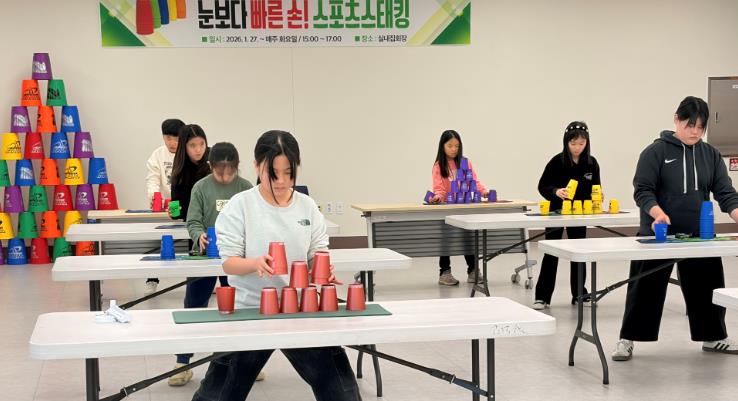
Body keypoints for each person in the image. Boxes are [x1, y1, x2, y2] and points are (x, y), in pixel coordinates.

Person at [191, 130, 361, 401]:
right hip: (250, 311)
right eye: (273, 173)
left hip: (301, 310)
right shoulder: (240, 206)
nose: (281, 181)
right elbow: (229, 263)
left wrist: (321, 268)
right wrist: (254, 263)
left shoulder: (307, 207)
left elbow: (317, 253)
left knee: (342, 392)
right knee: (218, 395)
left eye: (288, 173)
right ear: (257, 166)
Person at [612, 96, 738, 361]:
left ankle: (713, 336)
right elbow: (643, 190)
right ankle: (627, 339)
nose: (695, 132)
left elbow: (725, 193)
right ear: (676, 119)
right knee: (644, 288)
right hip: (658, 235)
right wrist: (657, 213)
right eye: (690, 125)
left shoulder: (710, 155)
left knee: (709, 285)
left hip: (698, 236)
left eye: (700, 127)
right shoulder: (655, 152)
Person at [167, 142, 254, 386]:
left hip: (236, 258)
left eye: (230, 173)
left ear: (237, 167)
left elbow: (254, 222)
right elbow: (193, 221)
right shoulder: (201, 188)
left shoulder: (246, 188)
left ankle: (247, 362)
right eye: (219, 173)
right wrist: (199, 236)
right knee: (194, 307)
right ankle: (182, 363)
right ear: (209, 166)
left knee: (240, 307)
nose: (225, 178)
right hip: (204, 256)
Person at [532, 121, 601, 310]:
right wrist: (556, 191)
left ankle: (580, 294)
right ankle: (542, 297)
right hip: (556, 213)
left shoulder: (592, 163)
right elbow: (542, 186)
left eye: (581, 143)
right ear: (566, 142)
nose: (577, 147)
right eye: (573, 143)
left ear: (587, 143)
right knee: (551, 253)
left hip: (579, 215)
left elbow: (596, 187)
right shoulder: (556, 162)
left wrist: (598, 196)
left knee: (579, 252)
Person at [429, 130, 490, 285]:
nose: (454, 149)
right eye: (450, 146)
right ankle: (444, 273)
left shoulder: (465, 162)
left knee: (468, 238)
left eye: (457, 146)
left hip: (464, 207)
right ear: (442, 146)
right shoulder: (438, 166)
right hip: (447, 209)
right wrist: (438, 196)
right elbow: (439, 188)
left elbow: (474, 181)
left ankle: (473, 271)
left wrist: (484, 191)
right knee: (446, 240)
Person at [144, 118, 184, 294]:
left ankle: (201, 279)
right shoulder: (158, 155)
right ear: (163, 137)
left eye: (176, 139)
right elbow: (152, 179)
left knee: (195, 242)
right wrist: (155, 197)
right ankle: (152, 278)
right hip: (167, 205)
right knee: (160, 241)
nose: (172, 143)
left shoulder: (188, 153)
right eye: (168, 138)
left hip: (186, 204)